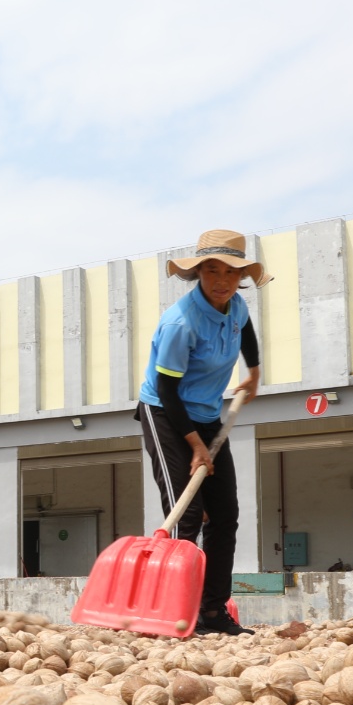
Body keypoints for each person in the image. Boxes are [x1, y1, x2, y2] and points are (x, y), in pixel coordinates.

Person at [135, 228, 266, 636]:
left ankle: (212, 612)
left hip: (208, 415)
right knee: (186, 515)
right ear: (198, 274)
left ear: (241, 276)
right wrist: (194, 446)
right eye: (213, 271)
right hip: (165, 414)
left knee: (225, 516)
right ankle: (172, 610)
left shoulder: (236, 305)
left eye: (231, 272)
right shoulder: (181, 323)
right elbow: (168, 391)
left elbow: (246, 333)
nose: (223, 281)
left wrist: (254, 374)